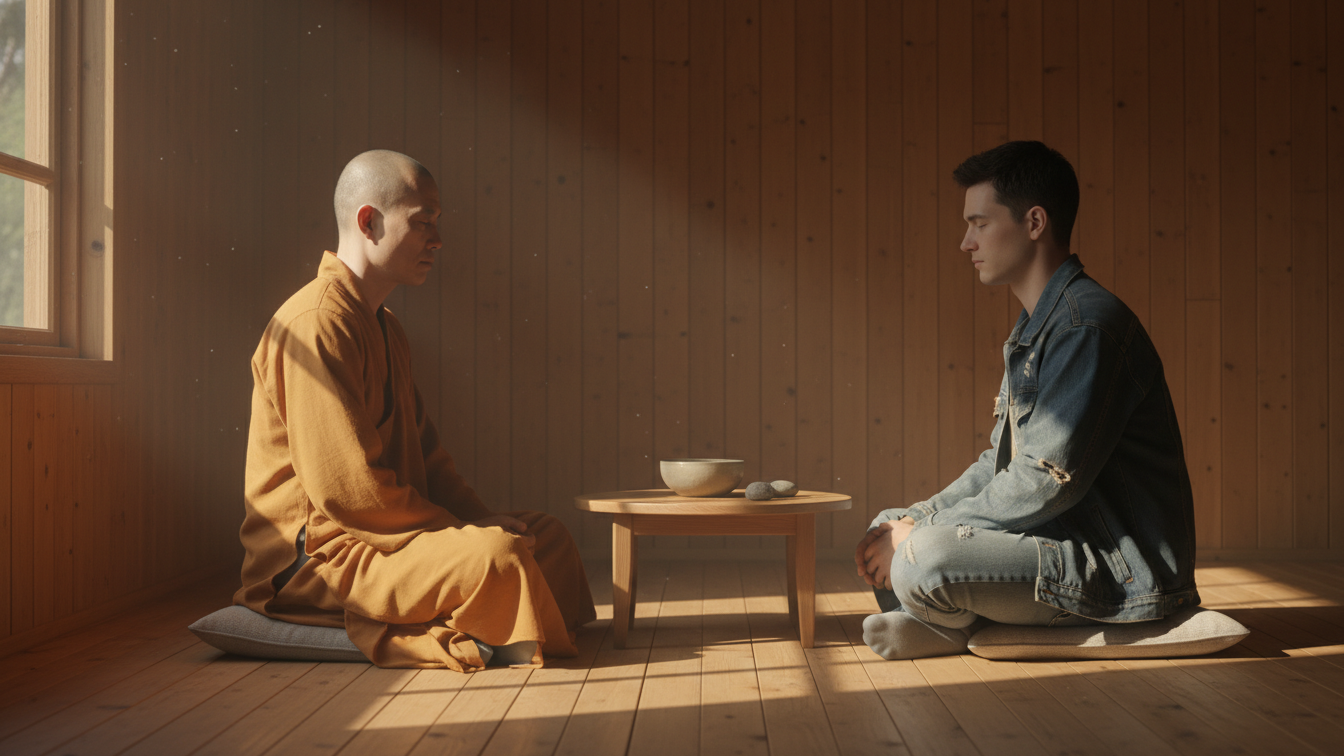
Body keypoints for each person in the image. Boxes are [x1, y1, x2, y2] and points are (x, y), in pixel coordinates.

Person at [235, 149, 595, 671]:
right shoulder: (315, 323)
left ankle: (498, 625)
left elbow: (428, 458)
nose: (437, 239)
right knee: (499, 555)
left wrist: (477, 518)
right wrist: (462, 533)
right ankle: (488, 633)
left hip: (389, 535)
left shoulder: (385, 326)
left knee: (545, 536)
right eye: (423, 223)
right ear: (369, 222)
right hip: (323, 557)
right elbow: (347, 493)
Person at [855, 141, 1199, 660]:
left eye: (979, 224)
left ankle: (945, 621)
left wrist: (921, 531)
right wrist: (914, 517)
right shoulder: (1037, 330)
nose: (966, 242)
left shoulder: (1086, 327)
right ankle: (945, 621)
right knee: (886, 525)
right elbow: (998, 467)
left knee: (923, 552)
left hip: (1117, 568)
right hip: (1056, 539)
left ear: (1034, 222)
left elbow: (1043, 480)